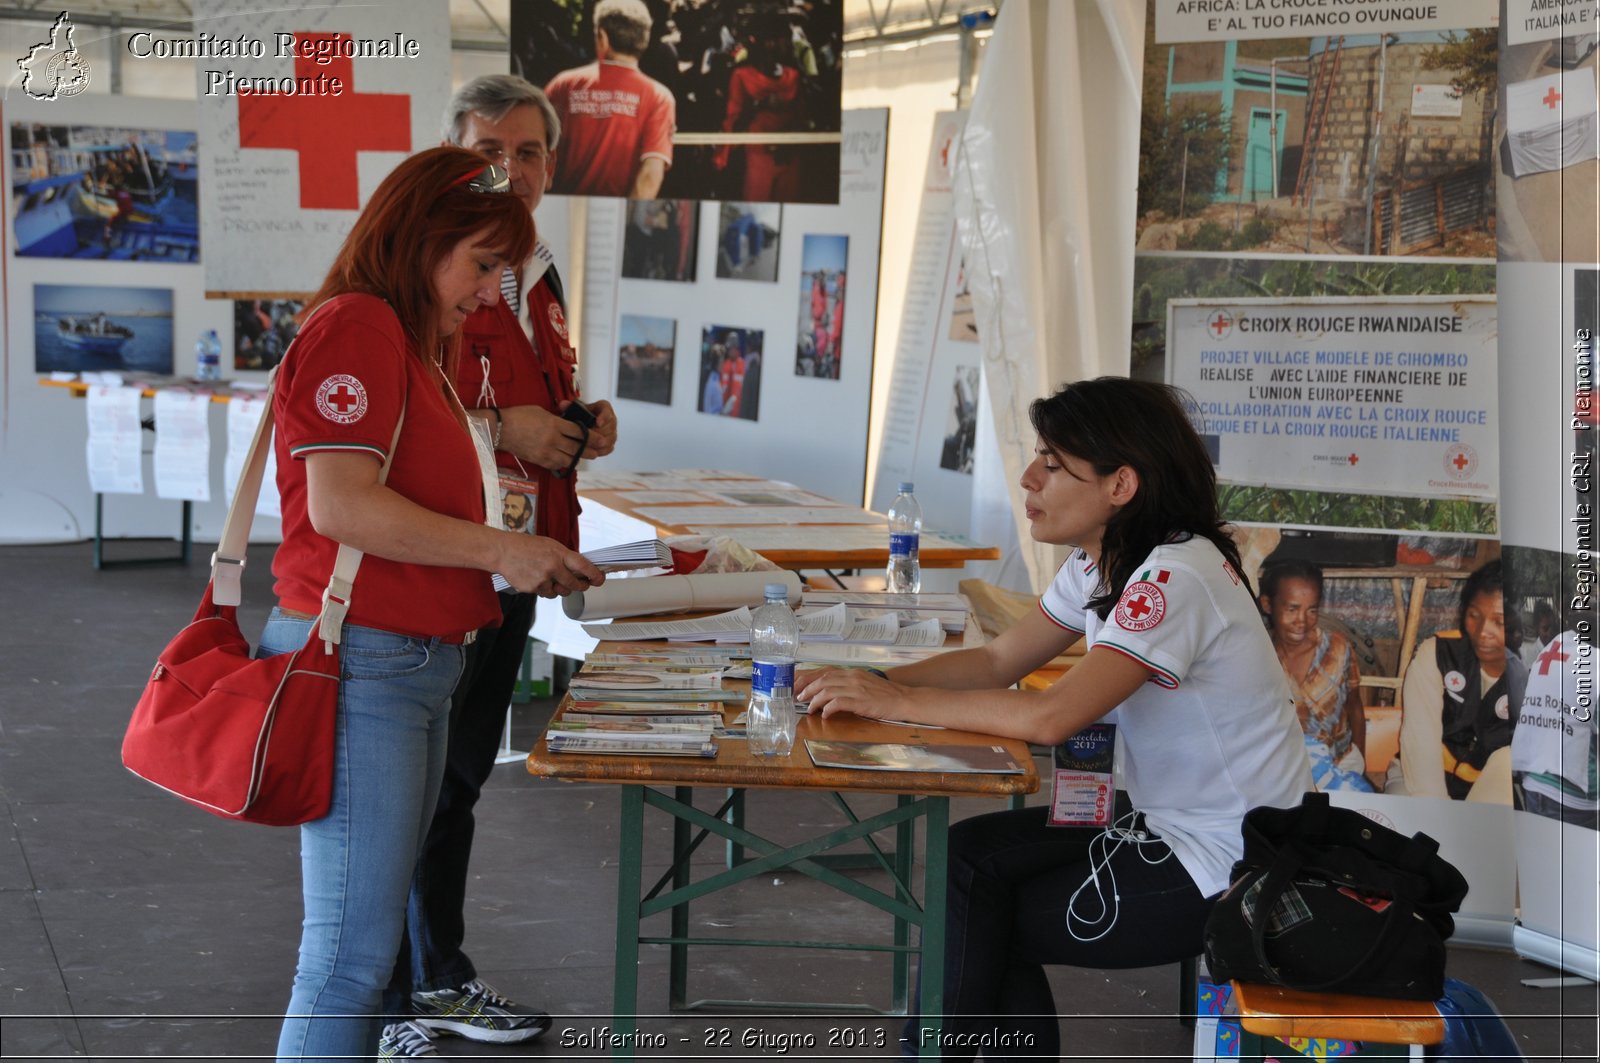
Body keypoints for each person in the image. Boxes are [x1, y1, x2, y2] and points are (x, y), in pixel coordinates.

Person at [797, 377, 1312, 1060]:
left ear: (1120, 485)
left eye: (1054, 464)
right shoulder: (1106, 562)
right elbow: (997, 660)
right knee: (968, 861)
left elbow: (1050, 716)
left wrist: (894, 702)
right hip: (1168, 823)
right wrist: (868, 683)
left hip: (1233, 861)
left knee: (982, 917)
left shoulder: (1173, 579)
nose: (1028, 476)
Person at [257, 146, 605, 1062]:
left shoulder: (404, 339)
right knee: (346, 959)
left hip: (404, 662)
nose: (492, 291)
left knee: (361, 956)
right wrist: (503, 550)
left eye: (503, 268)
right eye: (481, 264)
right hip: (367, 659)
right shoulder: (360, 329)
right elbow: (343, 504)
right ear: (421, 240)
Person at [374, 75, 622, 1056]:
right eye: (488, 151)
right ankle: (398, 996)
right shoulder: (416, 271)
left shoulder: (539, 270)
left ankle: (433, 978)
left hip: (518, 561)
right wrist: (500, 424)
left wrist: (578, 423)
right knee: (418, 791)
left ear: (551, 165)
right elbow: (390, 425)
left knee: (460, 783)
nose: (508, 172)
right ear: (451, 156)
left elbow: (532, 390)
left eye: (526, 154)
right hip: (442, 566)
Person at [1389, 559, 1526, 803]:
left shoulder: (1530, 676)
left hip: (1488, 782)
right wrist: (1436, 813)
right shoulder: (1437, 653)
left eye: (1499, 622)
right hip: (1416, 778)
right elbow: (1420, 741)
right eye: (1474, 615)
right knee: (1411, 829)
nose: (1483, 631)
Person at [1258, 559, 1372, 791]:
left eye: (1312, 610)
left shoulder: (1338, 649)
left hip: (1340, 764)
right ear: (1268, 604)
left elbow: (1355, 708)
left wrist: (1360, 763)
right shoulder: (1257, 656)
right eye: (1292, 609)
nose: (1302, 621)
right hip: (1283, 768)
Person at [545, 0, 676, 198]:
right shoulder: (660, 97)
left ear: (602, 37)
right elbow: (650, 176)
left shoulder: (563, 84)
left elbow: (535, 150)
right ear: (644, 39)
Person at [713, 14, 804, 201]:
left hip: (788, 156)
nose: (788, 45)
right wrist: (759, 105)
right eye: (784, 39)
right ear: (768, 42)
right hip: (756, 156)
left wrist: (789, 143)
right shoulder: (742, 76)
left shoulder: (793, 77)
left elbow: (802, 117)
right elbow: (733, 120)